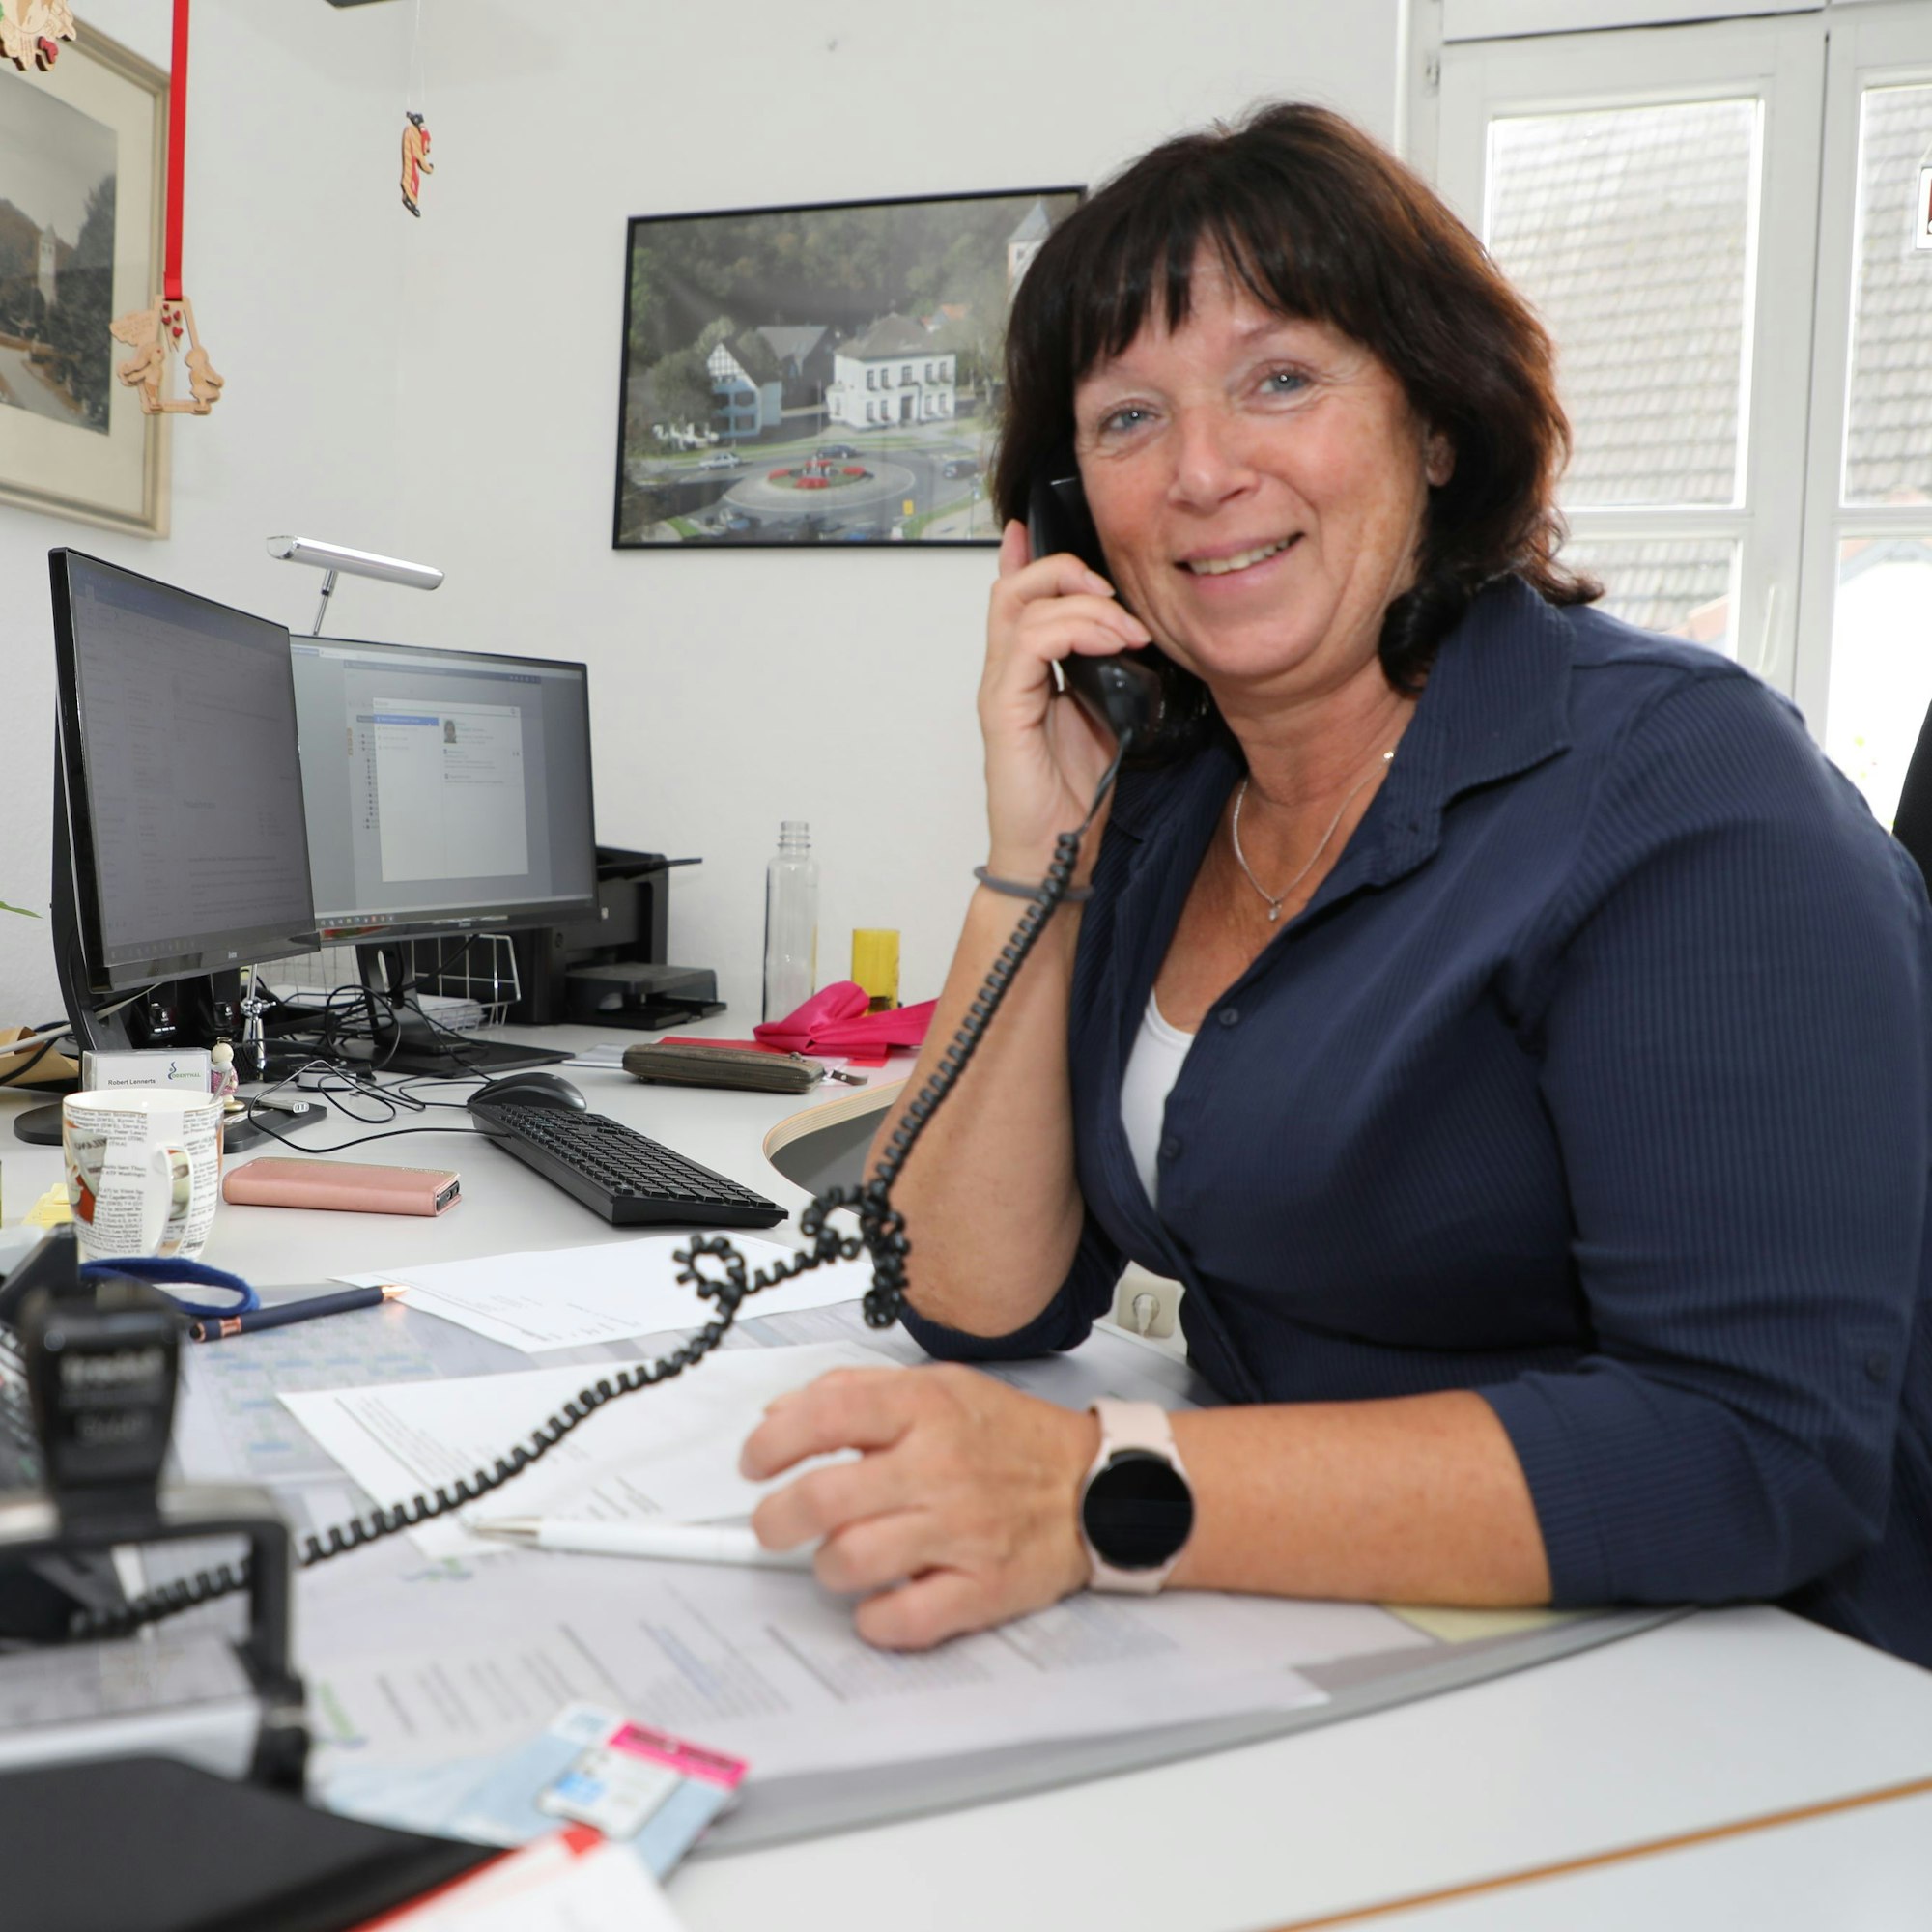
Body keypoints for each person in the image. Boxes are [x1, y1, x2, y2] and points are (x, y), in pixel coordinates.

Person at [740, 103, 1932, 1667]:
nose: (1203, 472)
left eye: (1279, 380)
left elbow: (1756, 1449)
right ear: (1060, 518)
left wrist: (1101, 1495)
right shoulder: (1168, 808)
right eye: (1125, 421)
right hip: (1337, 1630)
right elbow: (970, 1299)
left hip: (1726, 1694)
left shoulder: (1684, 791)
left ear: (1436, 426)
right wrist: (1039, 850)